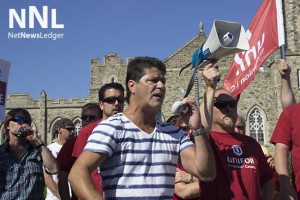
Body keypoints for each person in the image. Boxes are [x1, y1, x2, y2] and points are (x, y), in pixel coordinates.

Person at [69, 56, 219, 199]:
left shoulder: (174, 133)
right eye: (153, 80)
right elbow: (77, 174)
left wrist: (198, 129)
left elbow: (206, 173)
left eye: (163, 81)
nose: (161, 86)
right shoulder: (111, 127)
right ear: (132, 86)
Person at [199, 88, 275, 200]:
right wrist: (210, 86)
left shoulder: (251, 144)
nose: (228, 108)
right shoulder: (206, 141)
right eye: (221, 104)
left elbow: (267, 179)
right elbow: (200, 126)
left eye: (232, 103)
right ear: (210, 108)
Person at [0, 108, 58, 200]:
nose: (22, 122)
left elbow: (54, 169)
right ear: (7, 126)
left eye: (26, 120)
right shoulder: (1, 152)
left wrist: (39, 142)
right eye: (18, 119)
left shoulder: (38, 150)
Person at [57, 103, 102, 200]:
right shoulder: (71, 144)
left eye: (92, 117)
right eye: (84, 118)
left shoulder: (110, 140)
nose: (87, 120)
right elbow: (62, 177)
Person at [167, 115, 200, 200]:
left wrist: (189, 177)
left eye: (190, 128)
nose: (189, 132)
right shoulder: (170, 159)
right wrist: (220, 184)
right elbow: (185, 192)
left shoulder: (199, 155)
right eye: (184, 129)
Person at [44, 118, 75, 200]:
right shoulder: (49, 150)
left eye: (73, 129)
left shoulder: (75, 149)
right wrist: (62, 197)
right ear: (59, 130)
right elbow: (48, 178)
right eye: (69, 129)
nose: (72, 132)